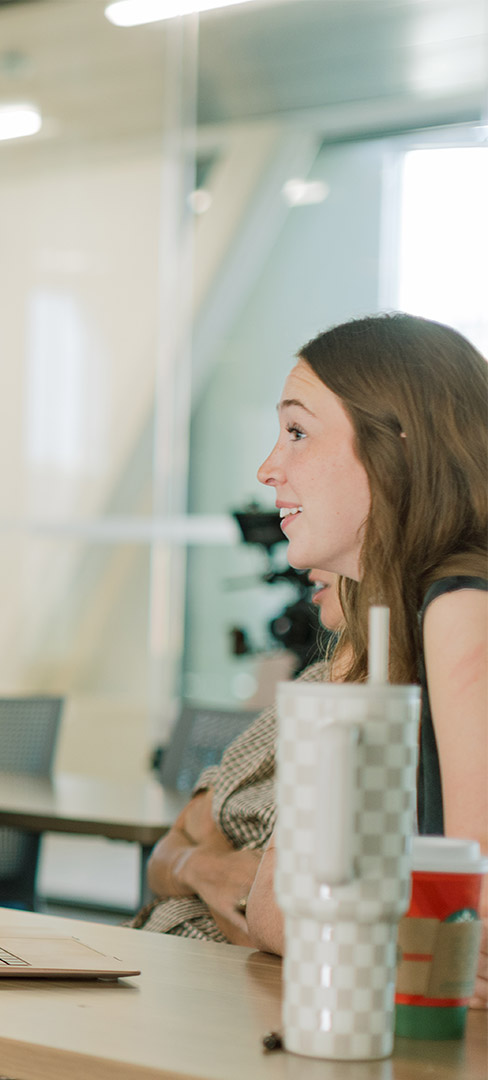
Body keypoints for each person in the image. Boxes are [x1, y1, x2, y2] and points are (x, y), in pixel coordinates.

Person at [0, 571, 347, 1080]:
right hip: (146, 968)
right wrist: (205, 865)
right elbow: (167, 854)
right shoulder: (316, 685)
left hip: (208, 1007)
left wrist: (201, 860)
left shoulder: (368, 718)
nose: (306, 573)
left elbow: (265, 910)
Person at [241, 312, 488, 1008]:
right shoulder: (373, 628)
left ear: (396, 447)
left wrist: (400, 936)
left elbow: (468, 927)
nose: (268, 468)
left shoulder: (464, 606)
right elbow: (275, 910)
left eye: (297, 431)